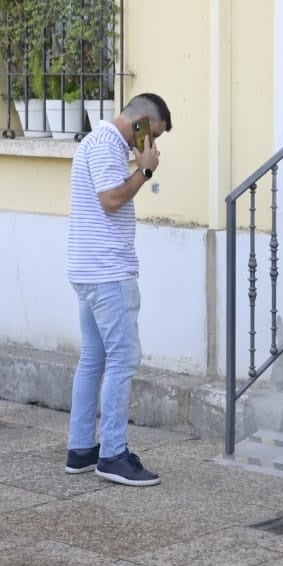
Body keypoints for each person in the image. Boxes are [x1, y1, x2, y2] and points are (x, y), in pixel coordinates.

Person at [63, 92, 173, 487]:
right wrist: (143, 172)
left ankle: (81, 450)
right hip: (107, 272)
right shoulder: (109, 144)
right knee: (123, 358)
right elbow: (111, 199)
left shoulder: (96, 141)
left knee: (94, 358)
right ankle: (112, 454)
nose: (152, 145)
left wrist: (138, 167)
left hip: (87, 268)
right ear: (142, 120)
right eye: (153, 134)